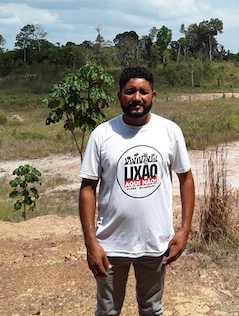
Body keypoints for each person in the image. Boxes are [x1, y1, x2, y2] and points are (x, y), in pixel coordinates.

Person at [79, 65, 195, 316]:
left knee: (151, 309)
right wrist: (91, 242)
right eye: (130, 91)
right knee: (108, 311)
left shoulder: (169, 131)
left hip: (155, 242)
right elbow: (88, 187)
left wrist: (185, 228)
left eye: (143, 91)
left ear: (153, 95)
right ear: (119, 96)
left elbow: (186, 178)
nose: (136, 98)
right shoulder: (102, 134)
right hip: (110, 244)